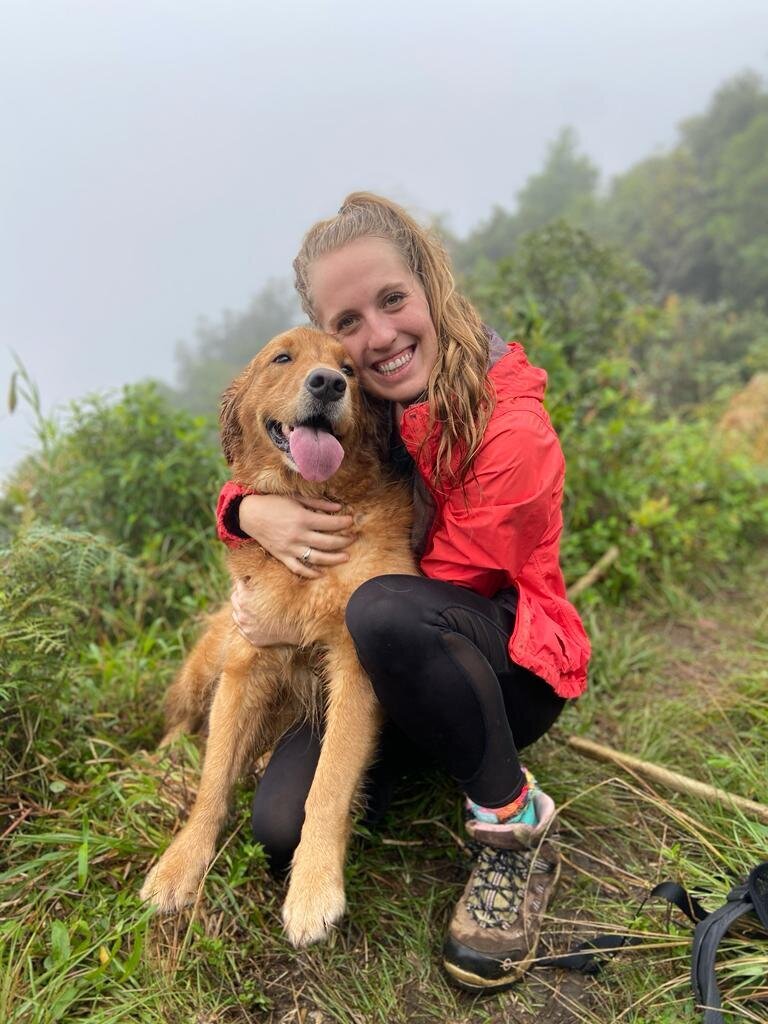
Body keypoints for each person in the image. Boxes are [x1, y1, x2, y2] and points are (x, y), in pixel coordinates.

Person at [215, 192, 591, 992]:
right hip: (387, 658)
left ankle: (513, 828)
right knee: (279, 826)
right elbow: (286, 458)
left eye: (393, 301)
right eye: (349, 323)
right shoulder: (370, 406)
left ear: (429, 285)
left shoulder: (509, 428)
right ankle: (409, 756)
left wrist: (288, 624)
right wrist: (250, 507)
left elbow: (409, 594)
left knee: (382, 608)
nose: (378, 336)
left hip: (500, 663)